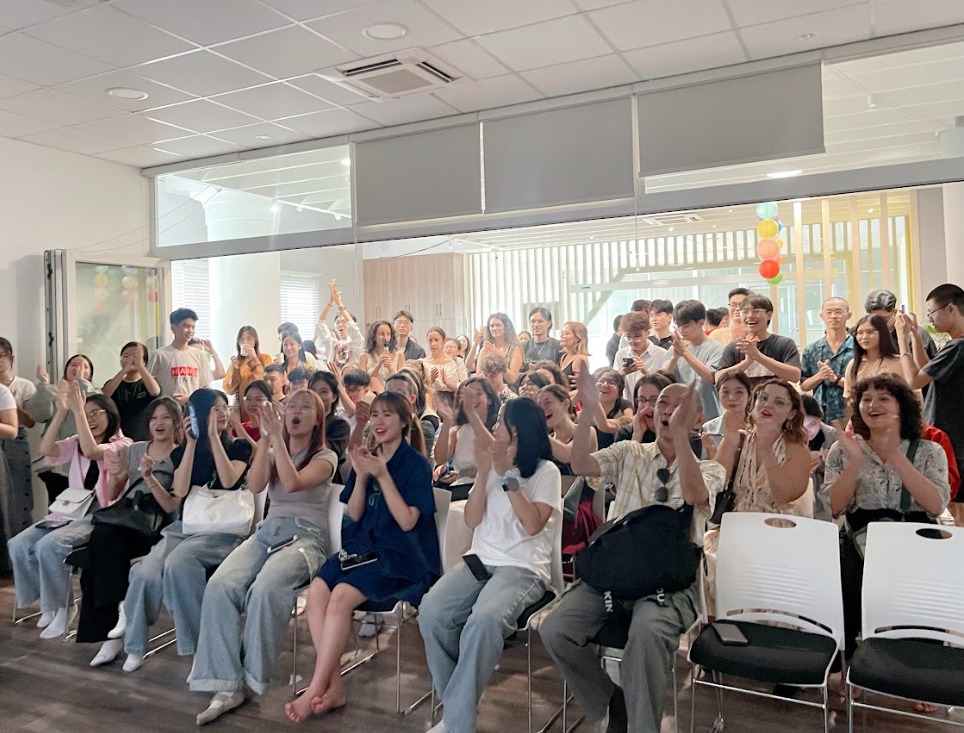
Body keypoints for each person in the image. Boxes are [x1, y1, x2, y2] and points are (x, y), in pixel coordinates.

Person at [540, 371, 724, 733]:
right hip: (615, 573)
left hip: (668, 584)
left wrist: (681, 438)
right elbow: (581, 465)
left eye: (680, 406)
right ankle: (611, 698)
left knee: (647, 634)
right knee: (556, 629)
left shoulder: (710, 468)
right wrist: (588, 408)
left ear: (698, 419)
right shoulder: (629, 452)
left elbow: (694, 495)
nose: (667, 411)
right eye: (662, 404)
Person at [283, 391, 441, 723]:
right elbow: (354, 513)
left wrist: (382, 475)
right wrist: (362, 475)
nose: (379, 422)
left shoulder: (415, 464)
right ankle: (335, 686)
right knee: (318, 591)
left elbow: (407, 521)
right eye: (376, 415)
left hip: (399, 556)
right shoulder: (368, 457)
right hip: (362, 549)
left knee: (341, 595)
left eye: (388, 415)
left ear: (404, 421)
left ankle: (316, 688)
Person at [192, 390, 338, 724]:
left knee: (266, 589)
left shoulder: (326, 456)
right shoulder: (273, 448)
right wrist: (265, 442)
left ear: (318, 420)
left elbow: (293, 482)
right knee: (220, 585)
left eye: (305, 407)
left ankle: (250, 679)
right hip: (267, 532)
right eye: (292, 406)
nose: (296, 411)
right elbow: (256, 485)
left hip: (306, 538)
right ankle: (226, 684)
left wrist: (277, 443)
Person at [418, 399, 562, 733]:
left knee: (483, 621)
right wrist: (485, 473)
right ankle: (458, 714)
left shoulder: (546, 472)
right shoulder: (492, 468)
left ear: (517, 432)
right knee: (432, 613)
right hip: (480, 560)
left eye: (500, 424)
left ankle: (456, 722)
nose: (494, 429)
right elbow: (471, 519)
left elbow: (532, 524)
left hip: (523, 567)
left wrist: (508, 475)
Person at [117, 389, 252, 672]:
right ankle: (135, 646)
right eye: (215, 409)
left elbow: (228, 479)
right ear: (199, 414)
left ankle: (199, 649)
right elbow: (178, 491)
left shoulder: (239, 447)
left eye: (225, 407)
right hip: (187, 524)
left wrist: (214, 437)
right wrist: (191, 445)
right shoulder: (181, 451)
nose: (223, 413)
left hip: (224, 528)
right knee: (145, 572)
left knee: (178, 565)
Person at [825, 374, 949, 659]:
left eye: (883, 398)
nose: (872, 405)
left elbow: (935, 506)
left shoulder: (929, 450)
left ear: (902, 406)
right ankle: (849, 660)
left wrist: (895, 455)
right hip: (861, 542)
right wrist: (855, 463)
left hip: (915, 542)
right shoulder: (843, 449)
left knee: (924, 603)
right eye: (866, 399)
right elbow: (835, 507)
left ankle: (918, 665)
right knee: (840, 578)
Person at [9, 385, 129, 639]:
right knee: (18, 544)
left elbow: (93, 451)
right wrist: (63, 411)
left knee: (49, 546)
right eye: (86, 414)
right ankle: (47, 603)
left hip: (100, 514)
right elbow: (46, 449)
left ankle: (64, 607)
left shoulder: (121, 444)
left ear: (110, 414)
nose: (90, 419)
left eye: (95, 413)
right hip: (70, 510)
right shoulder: (76, 442)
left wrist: (79, 413)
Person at [78, 397, 182, 666]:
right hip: (126, 517)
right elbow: (113, 494)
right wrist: (114, 476)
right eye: (154, 418)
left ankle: (114, 628)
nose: (159, 423)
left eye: (165, 417)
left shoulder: (181, 456)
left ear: (176, 422)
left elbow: (172, 506)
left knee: (101, 546)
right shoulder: (135, 449)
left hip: (155, 524)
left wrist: (150, 477)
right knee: (100, 541)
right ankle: (118, 615)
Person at [703, 379, 813, 611]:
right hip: (735, 527)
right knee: (712, 563)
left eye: (779, 402)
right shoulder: (740, 440)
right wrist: (729, 442)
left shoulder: (797, 449)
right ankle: (720, 625)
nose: (768, 405)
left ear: (792, 413)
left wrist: (766, 449)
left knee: (761, 571)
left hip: (777, 531)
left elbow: (784, 495)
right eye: (763, 398)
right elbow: (714, 483)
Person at [896, 283, 964, 503]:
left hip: (953, 438)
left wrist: (901, 340)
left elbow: (914, 380)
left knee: (951, 503)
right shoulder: (954, 345)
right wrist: (915, 335)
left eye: (932, 312)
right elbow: (928, 370)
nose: (930, 320)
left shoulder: (958, 346)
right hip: (952, 435)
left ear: (951, 309)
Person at [716, 294, 801, 388]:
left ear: (769, 315)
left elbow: (795, 376)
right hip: (743, 398)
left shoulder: (784, 343)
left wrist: (758, 356)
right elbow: (718, 378)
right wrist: (746, 362)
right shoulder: (734, 347)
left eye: (756, 311)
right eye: (745, 312)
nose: (750, 316)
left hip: (775, 397)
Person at [433, 377, 499, 500]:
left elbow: (497, 453)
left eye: (478, 393)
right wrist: (447, 421)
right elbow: (441, 458)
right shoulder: (458, 431)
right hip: (463, 489)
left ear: (489, 399)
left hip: (492, 488)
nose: (472, 399)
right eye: (468, 395)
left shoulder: (499, 428)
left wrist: (471, 412)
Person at [662, 300, 724, 420]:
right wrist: (674, 359)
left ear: (701, 322)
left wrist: (685, 353)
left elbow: (709, 377)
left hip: (708, 415)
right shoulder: (676, 347)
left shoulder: (716, 349)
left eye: (686, 326)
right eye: (678, 326)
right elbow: (663, 378)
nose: (681, 330)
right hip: (680, 414)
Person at [0, 337, 36, 535]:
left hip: (16, 440)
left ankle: (20, 538)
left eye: (2, 355)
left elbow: (31, 422)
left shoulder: (24, 385)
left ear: (11, 358)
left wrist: (12, 405)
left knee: (19, 491)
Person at [800, 297, 854, 425]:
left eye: (838, 312)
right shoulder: (812, 350)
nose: (833, 316)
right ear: (822, 316)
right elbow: (804, 385)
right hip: (820, 415)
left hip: (851, 413)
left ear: (848, 315)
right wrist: (820, 376)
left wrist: (835, 379)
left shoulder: (858, 348)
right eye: (829, 312)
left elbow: (863, 385)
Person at [148, 309, 212, 405]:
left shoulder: (199, 355)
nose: (190, 331)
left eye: (193, 327)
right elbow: (148, 384)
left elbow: (205, 388)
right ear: (173, 327)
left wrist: (190, 397)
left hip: (193, 408)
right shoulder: (159, 355)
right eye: (186, 326)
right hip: (169, 408)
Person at [102, 342, 161, 442]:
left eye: (135, 356)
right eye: (126, 356)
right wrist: (124, 370)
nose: (131, 359)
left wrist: (140, 366)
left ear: (144, 361)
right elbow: (104, 395)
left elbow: (155, 392)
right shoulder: (114, 383)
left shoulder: (149, 382)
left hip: (144, 439)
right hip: (117, 440)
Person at [865, 288, 938, 361]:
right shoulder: (869, 336)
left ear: (895, 312)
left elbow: (927, 366)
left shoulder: (916, 334)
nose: (878, 325)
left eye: (883, 320)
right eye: (873, 321)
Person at [614, 312, 670, 403]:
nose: (633, 341)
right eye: (628, 337)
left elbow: (665, 387)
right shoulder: (621, 354)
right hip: (629, 405)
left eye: (637, 336)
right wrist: (621, 373)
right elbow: (614, 385)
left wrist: (646, 372)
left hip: (654, 406)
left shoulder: (661, 354)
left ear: (647, 333)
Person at [843, 315, 902, 400]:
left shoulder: (899, 362)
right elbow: (849, 397)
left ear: (882, 333)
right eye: (860, 333)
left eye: (870, 332)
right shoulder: (853, 364)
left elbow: (913, 394)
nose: (864, 337)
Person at [222, 326, 273, 421]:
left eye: (249, 339)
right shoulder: (237, 362)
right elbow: (229, 390)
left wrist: (254, 358)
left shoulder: (266, 358)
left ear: (255, 341)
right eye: (241, 340)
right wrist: (236, 370)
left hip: (261, 406)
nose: (245, 342)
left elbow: (263, 383)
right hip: (243, 407)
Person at [702, 370, 753, 458]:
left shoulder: (759, 427)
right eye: (725, 392)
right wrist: (711, 450)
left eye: (739, 392)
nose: (732, 398)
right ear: (718, 395)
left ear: (749, 395)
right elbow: (707, 465)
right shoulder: (709, 429)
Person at [314, 280, 364, 367]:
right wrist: (330, 301)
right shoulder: (332, 344)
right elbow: (320, 324)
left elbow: (352, 326)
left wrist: (339, 303)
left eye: (344, 322)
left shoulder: (356, 342)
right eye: (337, 322)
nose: (340, 325)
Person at [613, 374, 674, 445]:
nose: (647, 406)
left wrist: (660, 430)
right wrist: (637, 435)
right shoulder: (625, 433)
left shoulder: (680, 430)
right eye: (642, 400)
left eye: (654, 400)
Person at [308, 370, 350, 467]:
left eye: (323, 392)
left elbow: (325, 453)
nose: (317, 396)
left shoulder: (340, 425)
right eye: (313, 391)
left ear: (334, 397)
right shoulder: (299, 420)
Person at [468, 313, 524, 385]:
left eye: (498, 325)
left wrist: (498, 357)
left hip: (509, 389)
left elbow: (512, 379)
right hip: (487, 388)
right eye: (492, 326)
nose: (494, 328)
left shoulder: (515, 349)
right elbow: (478, 377)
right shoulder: (485, 349)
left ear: (506, 327)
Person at [422, 327, 467, 409]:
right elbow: (420, 389)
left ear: (443, 341)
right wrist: (430, 381)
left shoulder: (456, 362)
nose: (433, 344)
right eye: (430, 340)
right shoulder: (423, 363)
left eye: (436, 340)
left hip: (454, 403)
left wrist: (448, 383)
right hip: (432, 404)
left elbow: (465, 387)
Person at [591, 368, 633, 450]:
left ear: (619, 392)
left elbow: (628, 421)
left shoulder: (624, 406)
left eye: (611, 382)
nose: (605, 385)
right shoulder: (586, 408)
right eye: (601, 381)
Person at [559, 321, 590, 391]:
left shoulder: (579, 358)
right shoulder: (564, 357)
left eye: (566, 333)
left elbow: (580, 389)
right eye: (562, 333)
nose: (562, 336)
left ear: (577, 338)